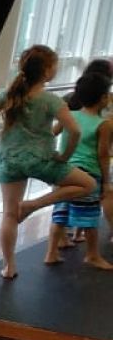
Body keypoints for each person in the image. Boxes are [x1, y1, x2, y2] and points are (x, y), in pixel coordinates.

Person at [0, 45, 97, 279]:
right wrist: (64, 157)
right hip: (41, 160)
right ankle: (34, 205)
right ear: (47, 70)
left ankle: (9, 267)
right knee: (88, 184)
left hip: (10, 160)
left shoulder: (8, 95)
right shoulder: (51, 100)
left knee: (9, 214)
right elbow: (74, 131)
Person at [44, 68, 112, 269]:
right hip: (87, 175)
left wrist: (54, 157)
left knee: (60, 213)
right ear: (103, 98)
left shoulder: (70, 116)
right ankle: (92, 255)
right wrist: (106, 182)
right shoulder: (103, 124)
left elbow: (50, 134)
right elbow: (103, 155)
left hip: (65, 172)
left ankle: (51, 253)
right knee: (89, 217)